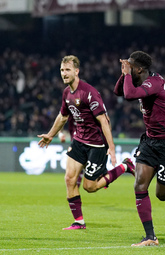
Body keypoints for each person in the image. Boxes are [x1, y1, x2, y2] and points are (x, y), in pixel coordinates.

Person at [38, 55, 135, 230]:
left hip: (96, 144)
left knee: (89, 187)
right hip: (79, 141)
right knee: (69, 179)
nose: (64, 73)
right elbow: (63, 116)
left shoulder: (88, 92)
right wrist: (51, 135)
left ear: (76, 71)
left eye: (67, 70)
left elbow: (104, 120)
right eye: (62, 70)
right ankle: (79, 222)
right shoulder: (67, 92)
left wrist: (111, 148)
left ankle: (124, 167)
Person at [114, 51, 165, 246]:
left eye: (131, 65)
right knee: (140, 185)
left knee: (162, 195)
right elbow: (118, 92)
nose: (128, 67)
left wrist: (127, 74)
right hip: (150, 141)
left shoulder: (154, 82)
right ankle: (150, 237)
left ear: (139, 69)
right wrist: (125, 73)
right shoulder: (138, 79)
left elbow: (129, 94)